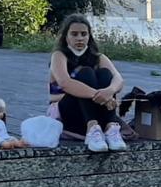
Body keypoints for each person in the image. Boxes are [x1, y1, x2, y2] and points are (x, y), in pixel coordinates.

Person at [48, 14, 127, 152]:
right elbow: (65, 82)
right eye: (74, 34)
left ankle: (110, 129)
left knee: (105, 74)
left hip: (97, 111)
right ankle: (92, 129)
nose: (79, 38)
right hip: (70, 115)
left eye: (84, 34)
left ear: (89, 36)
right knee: (86, 72)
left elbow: (118, 79)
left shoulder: (98, 57)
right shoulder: (59, 56)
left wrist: (109, 91)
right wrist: (99, 95)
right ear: (66, 36)